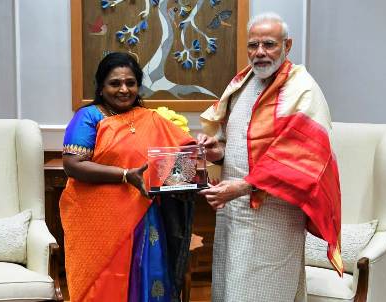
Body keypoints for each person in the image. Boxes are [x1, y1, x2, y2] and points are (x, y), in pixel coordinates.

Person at [197, 12, 343, 302]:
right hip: (233, 211)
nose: (260, 53)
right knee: (231, 287)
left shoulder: (302, 91)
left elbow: (303, 163)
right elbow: (239, 143)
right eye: (253, 45)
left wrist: (242, 186)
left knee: (265, 290)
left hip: (275, 216)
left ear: (287, 46)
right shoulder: (242, 83)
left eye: (269, 44)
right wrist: (218, 151)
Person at [59, 52, 196, 302]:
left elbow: (186, 159)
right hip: (98, 221)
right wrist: (125, 175)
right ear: (101, 87)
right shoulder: (89, 117)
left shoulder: (151, 119)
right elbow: (73, 165)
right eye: (115, 83)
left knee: (146, 276)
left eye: (130, 83)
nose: (124, 89)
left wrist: (194, 162)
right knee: (106, 282)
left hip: (144, 215)